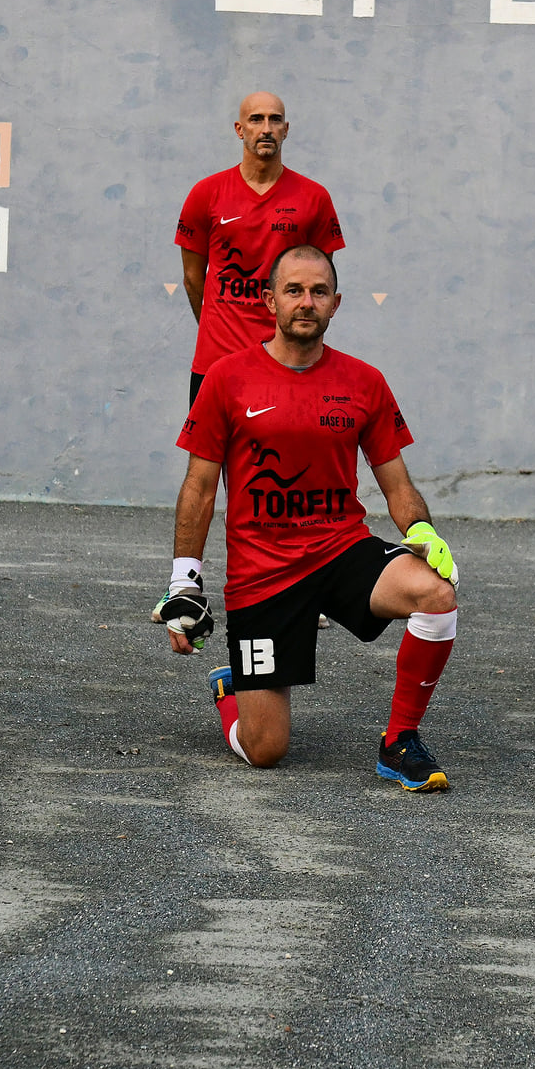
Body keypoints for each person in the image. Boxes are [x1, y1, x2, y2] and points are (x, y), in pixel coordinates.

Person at [152, 245, 460, 791]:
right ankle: (231, 689)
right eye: (293, 290)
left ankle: (400, 741)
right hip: (262, 575)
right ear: (269, 300)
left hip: (339, 550)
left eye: (319, 292)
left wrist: (422, 531)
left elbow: (397, 483)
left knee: (435, 594)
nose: (306, 302)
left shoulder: (364, 381)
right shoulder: (227, 378)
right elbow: (199, 487)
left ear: (335, 304)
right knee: (266, 750)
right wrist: (184, 582)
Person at [174, 91, 349, 688]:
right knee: (213, 483)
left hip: (289, 368)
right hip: (218, 365)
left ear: (287, 129)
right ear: (239, 129)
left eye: (275, 119)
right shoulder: (206, 194)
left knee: (283, 483)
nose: (266, 128)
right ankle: (189, 588)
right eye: (256, 119)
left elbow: (317, 278)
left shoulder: (313, 198)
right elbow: (194, 276)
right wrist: (220, 336)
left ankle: (297, 585)